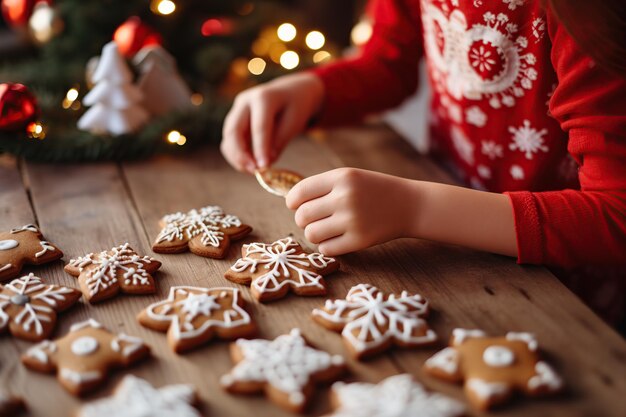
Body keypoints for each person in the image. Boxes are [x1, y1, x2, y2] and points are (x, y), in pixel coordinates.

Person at [220, 0, 626, 326]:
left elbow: (615, 214)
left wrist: (416, 208)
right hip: (455, 260)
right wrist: (313, 89)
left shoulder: (587, 14)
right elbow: (388, 63)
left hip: (571, 299)